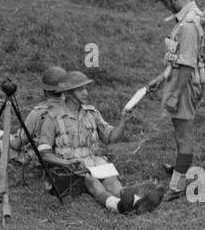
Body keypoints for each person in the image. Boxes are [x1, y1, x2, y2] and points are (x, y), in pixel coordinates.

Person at [34, 71, 161, 215]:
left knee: (111, 180)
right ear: (68, 93)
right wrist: (66, 163)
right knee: (91, 180)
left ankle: (139, 203)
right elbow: (43, 154)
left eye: (85, 88)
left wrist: (123, 121)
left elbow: (111, 138)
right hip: (70, 167)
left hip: (94, 162)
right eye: (80, 89)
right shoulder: (52, 118)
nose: (85, 92)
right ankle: (118, 206)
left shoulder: (92, 113)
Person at [146, 0, 205, 202]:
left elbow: (187, 64)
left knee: (183, 135)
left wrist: (174, 95)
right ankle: (179, 169)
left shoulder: (188, 25)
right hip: (180, 80)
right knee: (179, 132)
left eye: (166, 2)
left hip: (184, 84)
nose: (166, 6)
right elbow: (178, 58)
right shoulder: (189, 19)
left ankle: (176, 187)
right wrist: (161, 78)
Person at [0, 65, 68, 196]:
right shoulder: (75, 108)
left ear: (45, 92)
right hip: (67, 159)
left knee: (2, 143)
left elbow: (17, 145)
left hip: (40, 160)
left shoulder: (38, 112)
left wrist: (4, 136)